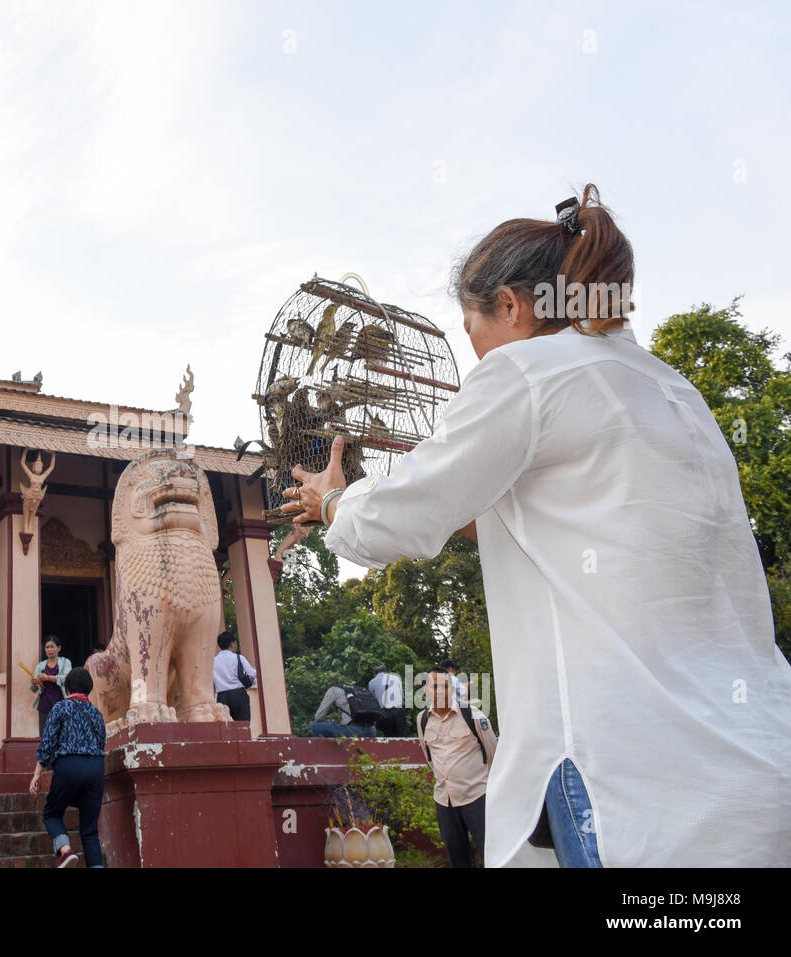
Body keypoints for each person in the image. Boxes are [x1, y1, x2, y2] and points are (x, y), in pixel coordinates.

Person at [282, 185, 791, 867]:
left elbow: (400, 514)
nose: (479, 359)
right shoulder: (676, 392)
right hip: (762, 763)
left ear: (513, 307)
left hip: (636, 790)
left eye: (474, 334)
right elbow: (571, 529)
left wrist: (337, 503)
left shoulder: (526, 373)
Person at [417, 668, 496, 868]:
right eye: (435, 686)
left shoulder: (473, 715)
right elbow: (430, 758)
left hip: (477, 796)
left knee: (492, 855)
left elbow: (493, 753)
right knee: (457, 858)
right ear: (426, 690)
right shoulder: (422, 720)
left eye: (445, 686)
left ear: (452, 688)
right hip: (444, 800)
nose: (440, 691)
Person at [30, 667, 106, 868]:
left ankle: (66, 851)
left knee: (52, 814)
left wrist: (37, 773)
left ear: (68, 686)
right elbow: (101, 744)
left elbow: (47, 743)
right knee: (90, 830)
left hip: (69, 765)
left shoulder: (60, 707)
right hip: (96, 768)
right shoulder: (97, 714)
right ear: (88, 688)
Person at [30, 637, 71, 736]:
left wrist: (47, 677)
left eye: (52, 647)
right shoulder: (40, 666)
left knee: (61, 735)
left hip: (61, 703)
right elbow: (35, 689)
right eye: (47, 647)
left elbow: (67, 678)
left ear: (59, 648)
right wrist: (35, 683)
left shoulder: (65, 662)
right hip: (44, 705)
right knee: (45, 736)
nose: (49, 650)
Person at [212, 631, 256, 722]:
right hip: (238, 695)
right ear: (232, 644)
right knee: (242, 726)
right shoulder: (238, 657)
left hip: (222, 697)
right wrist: (250, 683)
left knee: (226, 727)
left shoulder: (213, 661)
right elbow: (252, 673)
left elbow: (211, 682)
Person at [310, 684, 378, 737]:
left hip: (353, 730)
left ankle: (325, 753)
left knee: (316, 726)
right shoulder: (355, 690)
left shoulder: (333, 690)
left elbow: (319, 717)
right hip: (372, 731)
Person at [368, 665, 406, 737]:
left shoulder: (372, 682)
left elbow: (373, 701)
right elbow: (402, 695)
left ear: (374, 675)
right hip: (399, 711)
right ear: (386, 672)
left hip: (385, 713)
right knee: (403, 738)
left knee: (389, 739)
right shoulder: (396, 678)